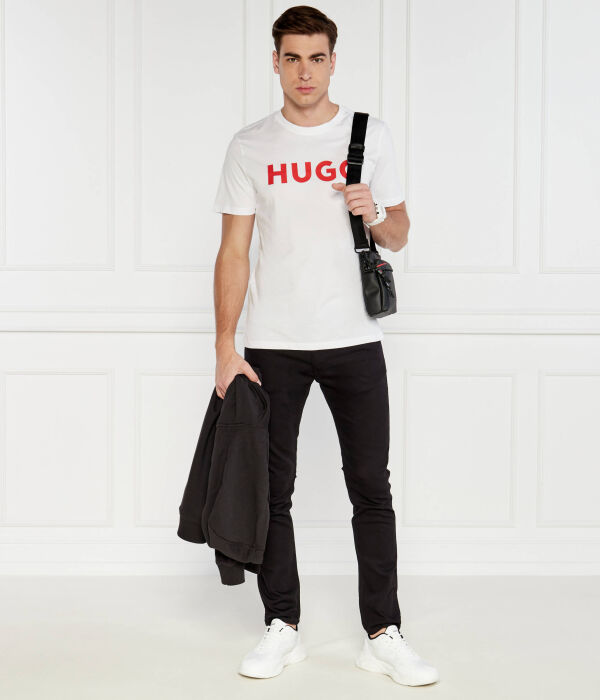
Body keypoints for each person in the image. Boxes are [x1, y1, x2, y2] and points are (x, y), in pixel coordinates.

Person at [211, 4, 439, 688]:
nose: (304, 72)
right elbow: (233, 251)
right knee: (272, 491)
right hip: (273, 344)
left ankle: (383, 633)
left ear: (333, 62)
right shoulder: (250, 145)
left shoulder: (368, 134)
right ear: (275, 63)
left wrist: (376, 211)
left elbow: (400, 235)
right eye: (292, 58)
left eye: (316, 58)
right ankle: (282, 625)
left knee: (371, 487)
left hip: (354, 340)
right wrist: (225, 346)